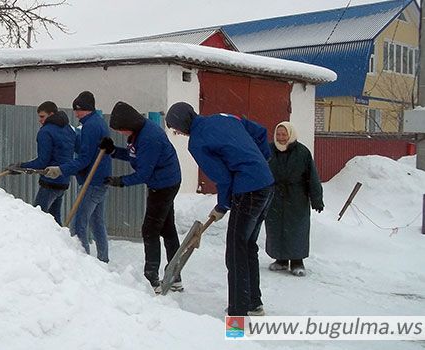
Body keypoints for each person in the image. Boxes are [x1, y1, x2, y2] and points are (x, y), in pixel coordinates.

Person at [165, 102, 274, 317]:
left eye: (175, 128)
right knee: (247, 246)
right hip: (267, 184)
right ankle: (253, 303)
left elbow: (223, 178)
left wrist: (223, 205)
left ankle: (237, 315)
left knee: (235, 253)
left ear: (182, 124)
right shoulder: (225, 117)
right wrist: (260, 162)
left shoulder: (197, 142)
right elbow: (261, 133)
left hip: (249, 190)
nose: (177, 133)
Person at [98, 101, 182, 294]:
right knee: (167, 229)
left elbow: (143, 172)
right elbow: (135, 156)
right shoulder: (139, 133)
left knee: (150, 230)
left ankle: (151, 280)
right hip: (163, 181)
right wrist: (113, 151)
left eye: (121, 131)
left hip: (163, 185)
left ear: (129, 126)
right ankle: (175, 277)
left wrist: (119, 181)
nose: (120, 134)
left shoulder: (149, 138)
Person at [44, 91, 112, 262]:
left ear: (87, 109)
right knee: (97, 223)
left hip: (93, 181)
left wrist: (61, 169)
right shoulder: (98, 122)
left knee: (78, 224)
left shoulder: (91, 126)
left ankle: (81, 264)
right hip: (101, 179)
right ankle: (103, 260)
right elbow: (87, 150)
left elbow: (84, 159)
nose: (75, 113)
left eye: (78, 110)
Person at [265, 121, 323, 277]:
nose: (281, 137)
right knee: (276, 228)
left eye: (284, 134)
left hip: (297, 197)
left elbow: (312, 177)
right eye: (278, 134)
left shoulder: (302, 152)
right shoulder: (269, 150)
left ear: (290, 135)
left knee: (297, 229)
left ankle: (297, 261)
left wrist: (317, 198)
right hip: (275, 196)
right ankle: (281, 260)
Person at [7, 101, 76, 224]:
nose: (40, 120)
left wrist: (20, 166)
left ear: (52, 114)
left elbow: (42, 163)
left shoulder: (46, 132)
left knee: (36, 219)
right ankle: (60, 243)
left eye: (42, 116)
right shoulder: (68, 129)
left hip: (50, 182)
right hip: (64, 181)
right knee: (54, 221)